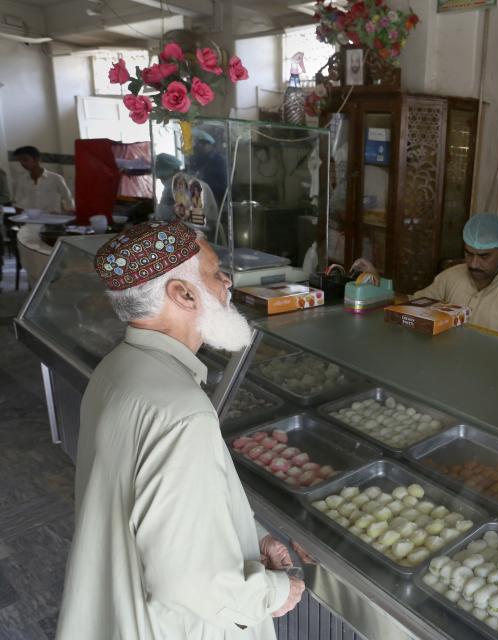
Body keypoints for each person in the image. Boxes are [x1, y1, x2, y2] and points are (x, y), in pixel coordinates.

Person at [56, 221, 305, 640]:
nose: (226, 282)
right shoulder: (181, 413)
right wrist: (275, 593)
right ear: (183, 294)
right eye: (214, 271)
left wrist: (251, 537)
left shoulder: (118, 367)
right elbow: (188, 582)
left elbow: (162, 512)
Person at [413, 213, 498, 342]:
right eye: (469, 254)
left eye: (484, 256)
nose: (474, 264)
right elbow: (414, 309)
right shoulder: (450, 277)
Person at [11, 145, 74, 213]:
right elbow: (18, 202)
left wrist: (68, 214)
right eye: (20, 160)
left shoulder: (56, 178)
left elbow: (68, 200)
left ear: (37, 159)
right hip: (31, 221)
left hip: (52, 220)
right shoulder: (21, 180)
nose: (22, 163)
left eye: (25, 159)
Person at [189, 129, 228, 207]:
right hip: (203, 196)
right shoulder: (202, 158)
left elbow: (220, 184)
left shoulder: (217, 160)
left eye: (198, 145)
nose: (196, 148)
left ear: (207, 145)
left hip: (216, 197)